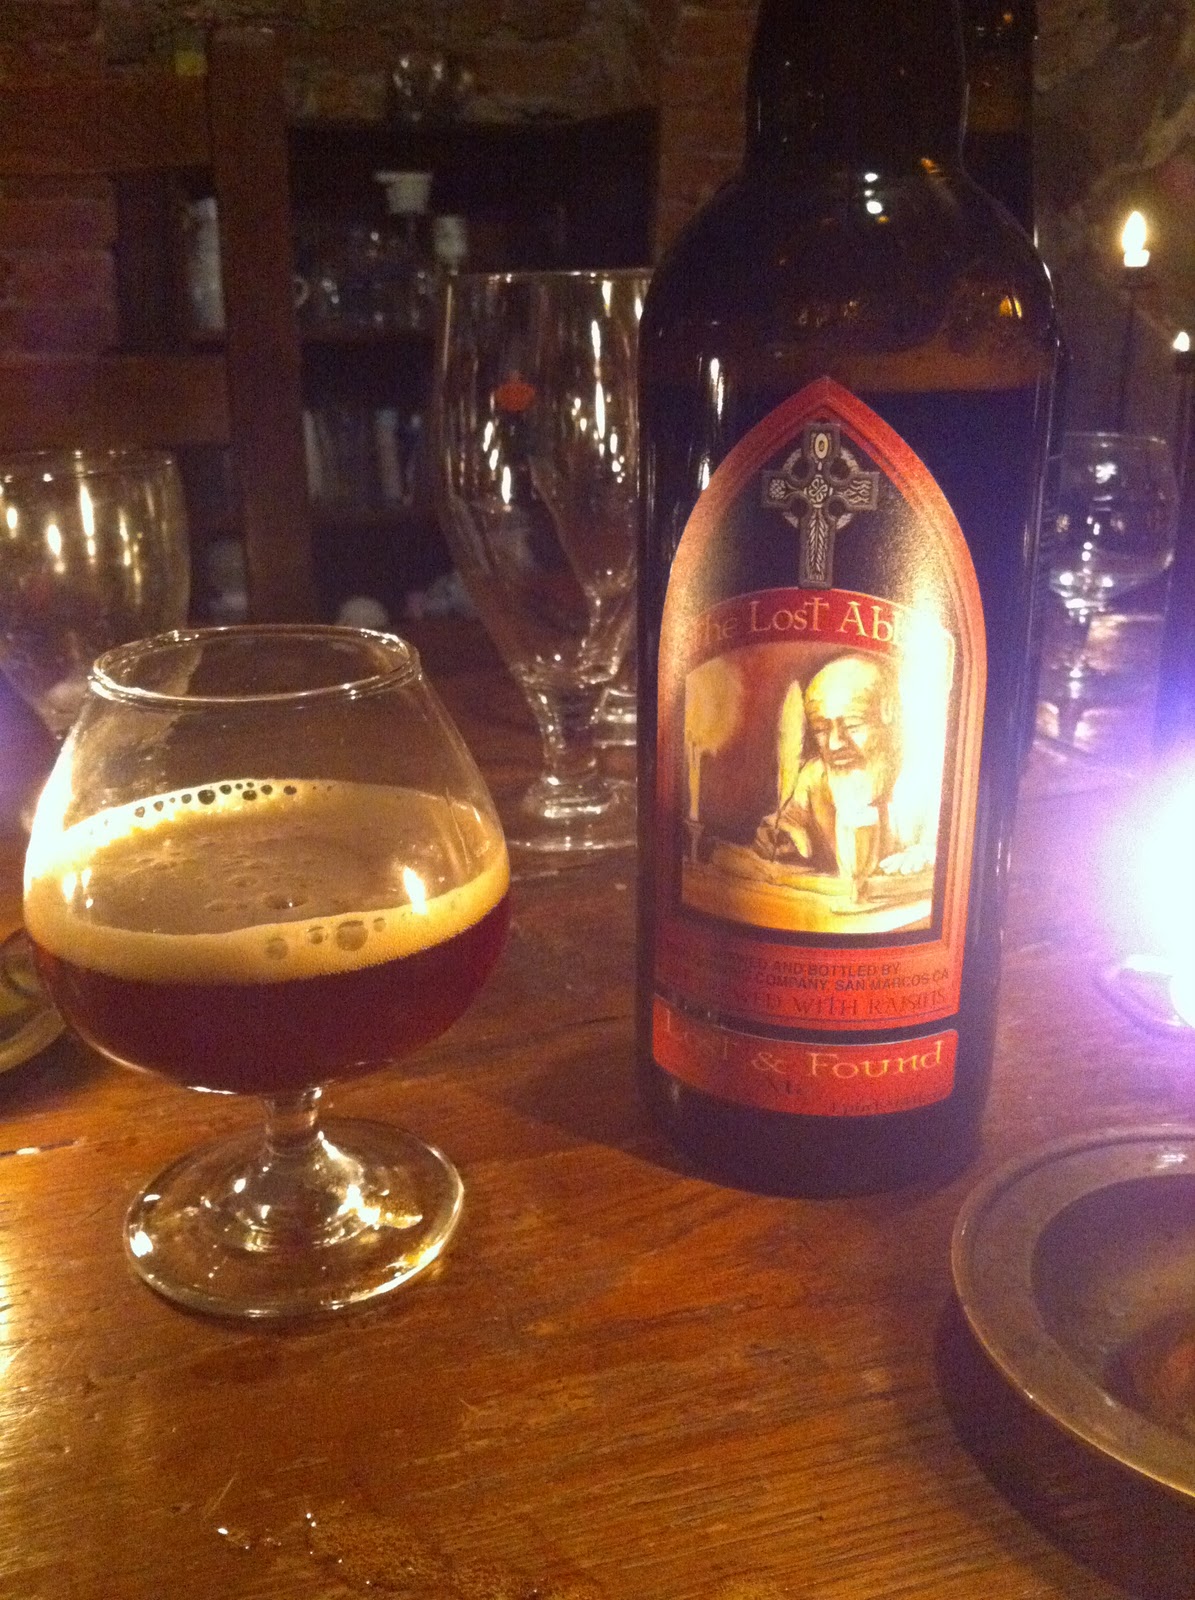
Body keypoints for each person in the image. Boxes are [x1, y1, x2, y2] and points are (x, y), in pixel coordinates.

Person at [754, 653, 932, 891]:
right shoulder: (816, 776)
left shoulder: (924, 781)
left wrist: (927, 855)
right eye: (821, 729)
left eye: (853, 726)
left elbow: (945, 849)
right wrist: (781, 836)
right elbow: (791, 821)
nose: (834, 744)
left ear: (888, 715)